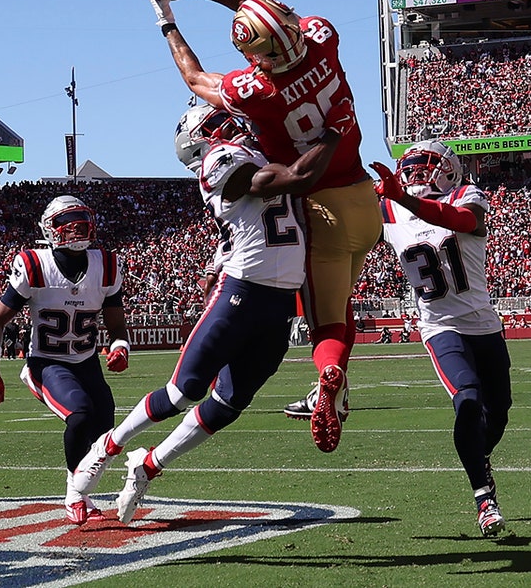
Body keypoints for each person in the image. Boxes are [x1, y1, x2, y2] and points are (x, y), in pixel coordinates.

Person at [147, 0, 382, 453]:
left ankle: (329, 379)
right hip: (365, 198)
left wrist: (168, 18)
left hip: (323, 209)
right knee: (340, 307)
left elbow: (195, 79)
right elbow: (270, 7)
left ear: (261, 57)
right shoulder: (323, 36)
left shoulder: (256, 90)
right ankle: (335, 392)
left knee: (327, 322)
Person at [74, 103, 341, 525]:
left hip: (279, 301)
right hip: (242, 290)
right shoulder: (221, 161)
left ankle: (148, 467)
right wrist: (334, 133)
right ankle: (107, 447)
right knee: (184, 392)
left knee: (228, 404)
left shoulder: (256, 152)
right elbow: (299, 176)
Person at [368, 140, 513, 537]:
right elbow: (348, 234)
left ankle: (477, 459)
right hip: (439, 326)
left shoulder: (467, 195)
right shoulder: (387, 208)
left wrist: (405, 200)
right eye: (410, 167)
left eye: (425, 165)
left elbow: (463, 222)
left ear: (450, 170)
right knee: (467, 401)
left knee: (496, 417)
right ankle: (484, 499)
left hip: (484, 326)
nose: (416, 173)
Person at [0, 195, 132, 526]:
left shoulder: (105, 263)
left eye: (81, 217)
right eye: (67, 220)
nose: (76, 225)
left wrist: (121, 347)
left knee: (104, 431)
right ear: (50, 229)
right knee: (79, 415)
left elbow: (117, 324)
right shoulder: (35, 263)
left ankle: (83, 492)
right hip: (47, 363)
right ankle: (74, 494)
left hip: (87, 361)